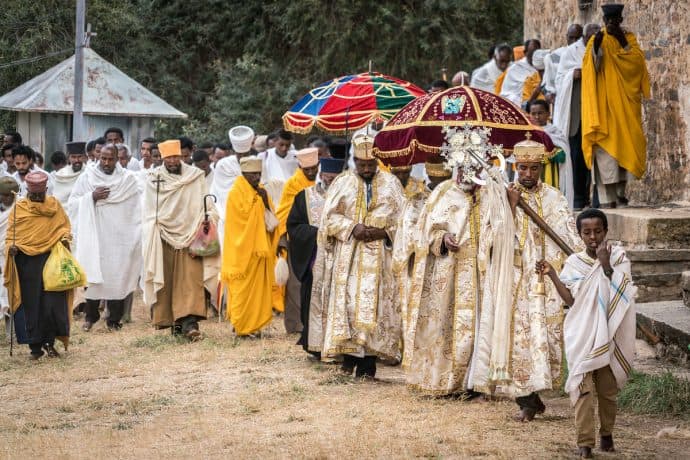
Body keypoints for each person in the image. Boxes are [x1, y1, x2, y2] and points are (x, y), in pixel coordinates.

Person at [404, 159, 515, 396]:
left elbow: (503, 227)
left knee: (481, 325)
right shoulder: (443, 193)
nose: (469, 173)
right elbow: (424, 233)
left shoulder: (492, 193)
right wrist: (442, 239)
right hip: (449, 273)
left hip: (482, 273)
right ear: (456, 166)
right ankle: (447, 381)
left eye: (474, 167)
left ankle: (476, 382)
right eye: (464, 167)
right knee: (446, 326)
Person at [536, 209, 635, 458]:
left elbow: (620, 295)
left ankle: (607, 434)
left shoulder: (619, 257)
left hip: (610, 333)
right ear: (580, 234)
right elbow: (571, 298)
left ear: (606, 231)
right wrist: (553, 275)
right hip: (582, 333)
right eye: (587, 232)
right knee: (582, 388)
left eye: (597, 231)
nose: (593, 237)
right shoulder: (574, 262)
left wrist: (604, 262)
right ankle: (585, 442)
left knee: (607, 390)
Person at [503, 139, 582, 421]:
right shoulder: (503, 196)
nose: (527, 174)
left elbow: (569, 236)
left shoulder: (554, 198)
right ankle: (526, 399)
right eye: (522, 168)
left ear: (541, 168)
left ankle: (537, 394)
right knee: (519, 339)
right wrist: (511, 207)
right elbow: (494, 238)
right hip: (516, 280)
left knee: (546, 337)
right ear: (515, 167)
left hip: (549, 281)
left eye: (533, 169)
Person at [314, 134, 404, 377]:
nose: (366, 169)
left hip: (380, 258)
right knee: (351, 305)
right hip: (350, 256)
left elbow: (404, 222)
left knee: (376, 308)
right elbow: (328, 219)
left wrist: (384, 231)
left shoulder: (391, 184)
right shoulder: (342, 182)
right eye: (361, 164)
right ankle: (348, 360)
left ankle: (368, 364)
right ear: (353, 160)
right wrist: (353, 227)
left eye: (371, 165)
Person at [141, 139, 219, 341]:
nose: (173, 161)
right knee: (167, 281)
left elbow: (206, 203)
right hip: (164, 236)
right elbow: (149, 211)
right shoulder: (154, 178)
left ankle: (190, 324)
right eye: (169, 158)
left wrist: (208, 220)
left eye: (176, 156)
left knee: (191, 281)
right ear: (163, 158)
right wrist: (154, 229)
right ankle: (173, 322)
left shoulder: (195, 176)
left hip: (191, 234)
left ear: (183, 156)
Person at [582, 4, 650, 208]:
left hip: (625, 108)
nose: (611, 23)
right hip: (604, 108)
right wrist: (596, 48)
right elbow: (591, 68)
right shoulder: (597, 39)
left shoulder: (628, 39)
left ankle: (621, 194)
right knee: (606, 154)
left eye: (615, 20)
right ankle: (606, 199)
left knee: (626, 150)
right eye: (607, 20)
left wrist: (621, 40)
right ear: (604, 21)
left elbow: (637, 66)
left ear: (620, 20)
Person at [69, 143, 142, 332]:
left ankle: (114, 320)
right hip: (95, 236)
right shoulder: (87, 177)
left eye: (111, 159)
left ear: (118, 159)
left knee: (117, 276)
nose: (106, 162)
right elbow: (73, 203)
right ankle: (90, 316)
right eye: (103, 158)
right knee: (94, 274)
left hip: (119, 237)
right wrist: (91, 197)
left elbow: (137, 206)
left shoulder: (128, 179)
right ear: (97, 156)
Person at [5, 172, 72, 359]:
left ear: (46, 190)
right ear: (27, 191)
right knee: (31, 305)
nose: (35, 199)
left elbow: (64, 227)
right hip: (27, 265)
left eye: (39, 195)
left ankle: (50, 343)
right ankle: (34, 347)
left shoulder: (54, 206)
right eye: (32, 195)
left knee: (52, 304)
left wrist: (65, 239)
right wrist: (11, 249)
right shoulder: (20, 208)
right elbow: (11, 236)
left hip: (51, 261)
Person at [287, 157, 345, 357]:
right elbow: (294, 226)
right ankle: (316, 345)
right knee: (314, 300)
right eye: (328, 178)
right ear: (321, 176)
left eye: (335, 179)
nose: (331, 182)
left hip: (342, 258)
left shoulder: (349, 198)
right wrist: (316, 232)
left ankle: (340, 345)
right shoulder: (305, 196)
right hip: (315, 258)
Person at [221, 156, 276, 337]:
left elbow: (271, 219)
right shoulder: (235, 193)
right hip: (241, 251)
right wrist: (255, 203)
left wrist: (263, 200)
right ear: (243, 174)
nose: (256, 178)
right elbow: (237, 222)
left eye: (258, 174)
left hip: (259, 251)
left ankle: (255, 325)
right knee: (240, 289)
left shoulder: (261, 192)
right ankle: (241, 327)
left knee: (258, 291)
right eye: (252, 174)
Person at [553, 23, 601, 211]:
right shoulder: (570, 53)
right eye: (591, 38)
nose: (593, 41)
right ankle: (579, 198)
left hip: (596, 114)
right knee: (576, 157)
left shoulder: (600, 49)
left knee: (597, 157)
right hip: (576, 116)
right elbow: (559, 80)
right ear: (585, 38)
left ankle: (597, 199)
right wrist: (574, 74)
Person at [275, 147, 319, 333]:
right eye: (306, 169)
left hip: (321, 237)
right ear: (300, 167)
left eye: (313, 169)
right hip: (298, 238)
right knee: (295, 281)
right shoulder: (292, 184)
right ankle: (295, 324)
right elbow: (285, 212)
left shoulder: (324, 181)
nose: (310, 173)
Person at [211, 125, 255, 248]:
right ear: (234, 151)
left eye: (245, 154)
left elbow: (263, 187)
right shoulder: (223, 164)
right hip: (229, 216)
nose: (242, 157)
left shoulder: (256, 162)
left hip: (252, 216)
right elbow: (223, 192)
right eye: (239, 154)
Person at [528, 100, 569, 193]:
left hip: (551, 174)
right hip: (531, 175)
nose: (537, 117)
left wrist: (551, 156)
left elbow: (563, 155)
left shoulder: (555, 132)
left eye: (540, 113)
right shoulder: (527, 133)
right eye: (533, 114)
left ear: (548, 114)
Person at [258, 129, 298, 205]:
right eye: (281, 144)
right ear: (275, 142)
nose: (284, 148)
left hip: (293, 197)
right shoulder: (264, 156)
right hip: (273, 198)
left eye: (287, 145)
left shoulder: (296, 156)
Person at [542, 24, 583, 99]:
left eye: (578, 38)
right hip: (561, 101)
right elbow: (547, 85)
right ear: (566, 37)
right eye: (571, 37)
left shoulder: (587, 56)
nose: (574, 41)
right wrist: (549, 95)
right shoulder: (554, 57)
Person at [0, 177, 19, 339]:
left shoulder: (20, 211)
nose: (6, 198)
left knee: (9, 294)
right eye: (3, 195)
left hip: (11, 258)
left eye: (8, 195)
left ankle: (11, 333)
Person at [499, 39, 541, 106]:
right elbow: (507, 94)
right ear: (525, 53)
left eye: (536, 53)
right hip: (518, 103)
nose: (534, 56)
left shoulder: (542, 66)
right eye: (531, 53)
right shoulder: (515, 68)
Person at [52, 141, 88, 217]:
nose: (77, 160)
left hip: (83, 214)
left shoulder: (89, 173)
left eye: (79, 157)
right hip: (63, 215)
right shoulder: (61, 174)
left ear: (84, 157)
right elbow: (57, 200)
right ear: (69, 158)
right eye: (73, 157)